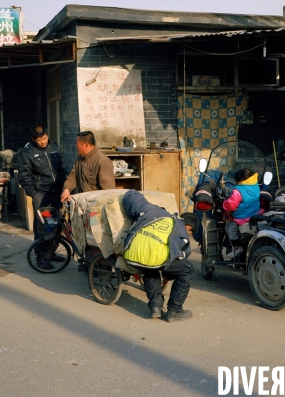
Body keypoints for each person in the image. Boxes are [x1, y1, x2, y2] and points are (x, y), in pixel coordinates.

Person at [122, 189, 198, 322]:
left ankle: (155, 308)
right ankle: (175, 310)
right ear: (188, 226)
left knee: (150, 267)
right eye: (190, 232)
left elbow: (135, 200)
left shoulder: (157, 211)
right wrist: (169, 274)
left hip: (131, 252)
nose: (188, 234)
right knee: (187, 269)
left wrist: (130, 192)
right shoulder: (180, 227)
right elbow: (182, 255)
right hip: (153, 256)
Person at [18, 124, 67, 249]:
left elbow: (61, 168)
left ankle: (52, 252)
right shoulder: (28, 152)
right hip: (41, 194)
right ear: (33, 139)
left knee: (55, 223)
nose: (43, 141)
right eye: (39, 140)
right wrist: (34, 194)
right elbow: (24, 177)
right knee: (43, 224)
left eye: (44, 138)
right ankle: (41, 257)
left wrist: (63, 184)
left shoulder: (54, 147)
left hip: (56, 192)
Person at [60, 131, 115, 202]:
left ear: (86, 144)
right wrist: (66, 189)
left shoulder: (103, 161)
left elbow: (108, 191)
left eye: (77, 143)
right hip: (83, 204)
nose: (75, 145)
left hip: (96, 205)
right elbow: (73, 176)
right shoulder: (80, 158)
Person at [222, 168, 261, 259]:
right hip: (255, 214)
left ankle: (237, 248)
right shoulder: (256, 186)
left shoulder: (237, 191)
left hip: (241, 217)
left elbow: (230, 206)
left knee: (230, 229)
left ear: (240, 180)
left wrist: (224, 203)